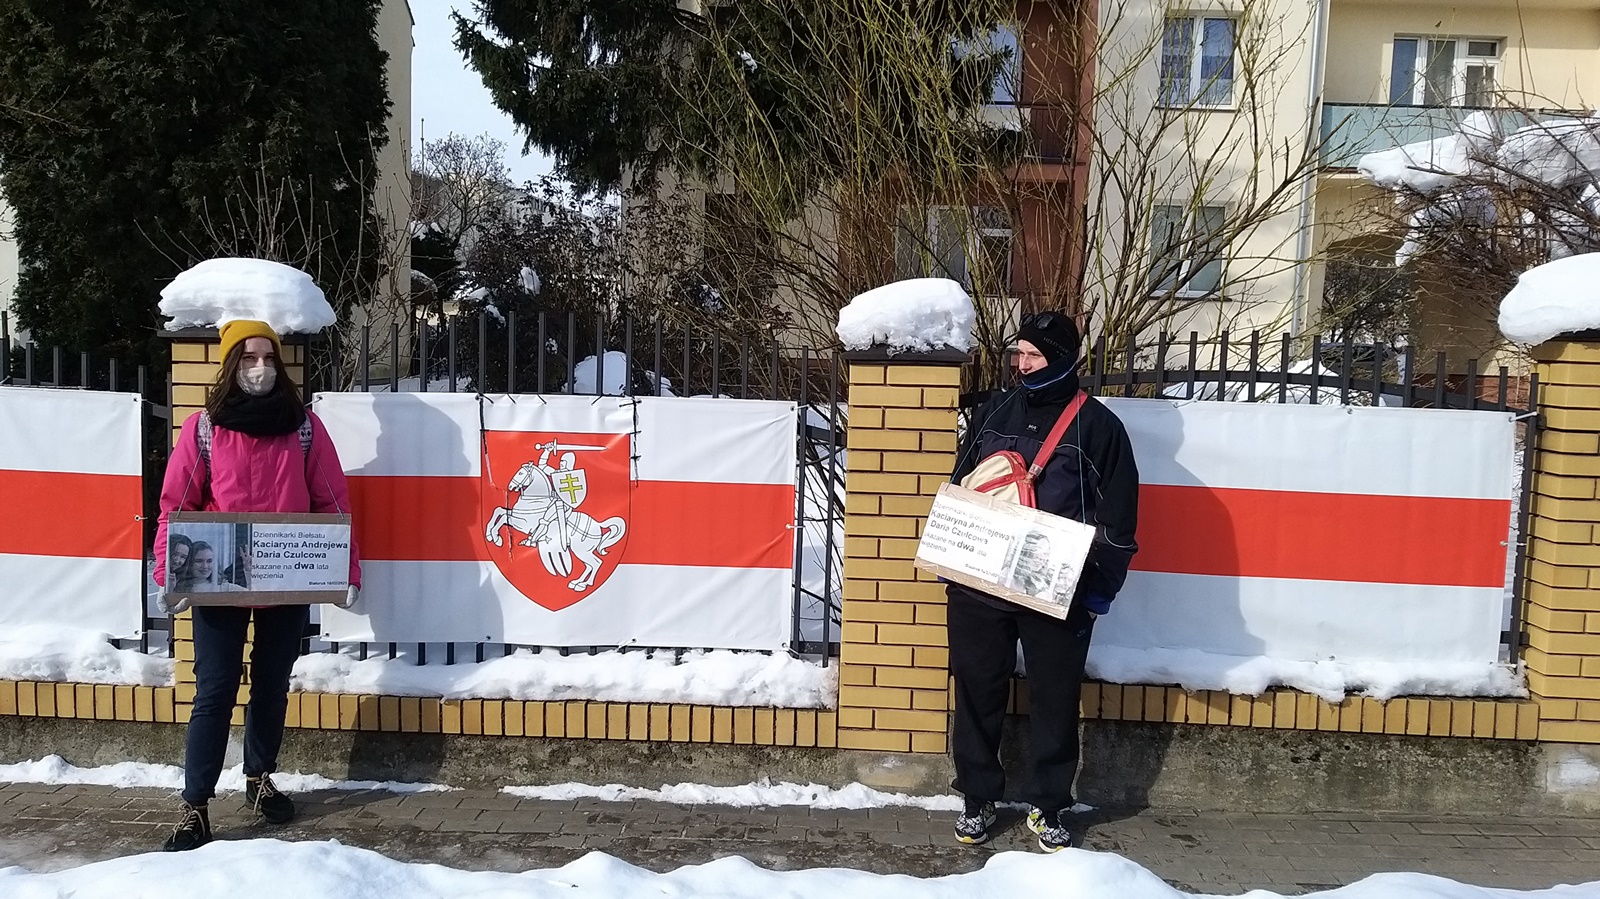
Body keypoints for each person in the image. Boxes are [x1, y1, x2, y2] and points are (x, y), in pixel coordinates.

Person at [152, 319, 361, 852]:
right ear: (231, 365)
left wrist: (346, 570)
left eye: (269, 358)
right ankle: (196, 805)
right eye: (248, 358)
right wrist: (168, 572)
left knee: (271, 683)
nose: (261, 368)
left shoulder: (303, 427)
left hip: (285, 578)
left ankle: (259, 777)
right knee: (215, 689)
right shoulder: (204, 428)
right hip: (219, 580)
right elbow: (177, 505)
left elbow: (332, 503)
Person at [946, 312, 1139, 853]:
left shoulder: (1099, 427)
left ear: (1062, 359)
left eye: (1034, 355)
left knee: (1055, 698)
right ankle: (977, 797)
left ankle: (1049, 803)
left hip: (1059, 587)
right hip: (980, 583)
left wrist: (1099, 590)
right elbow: (962, 483)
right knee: (977, 691)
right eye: (1019, 353)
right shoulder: (994, 409)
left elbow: (1119, 519)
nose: (1022, 364)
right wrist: (954, 558)